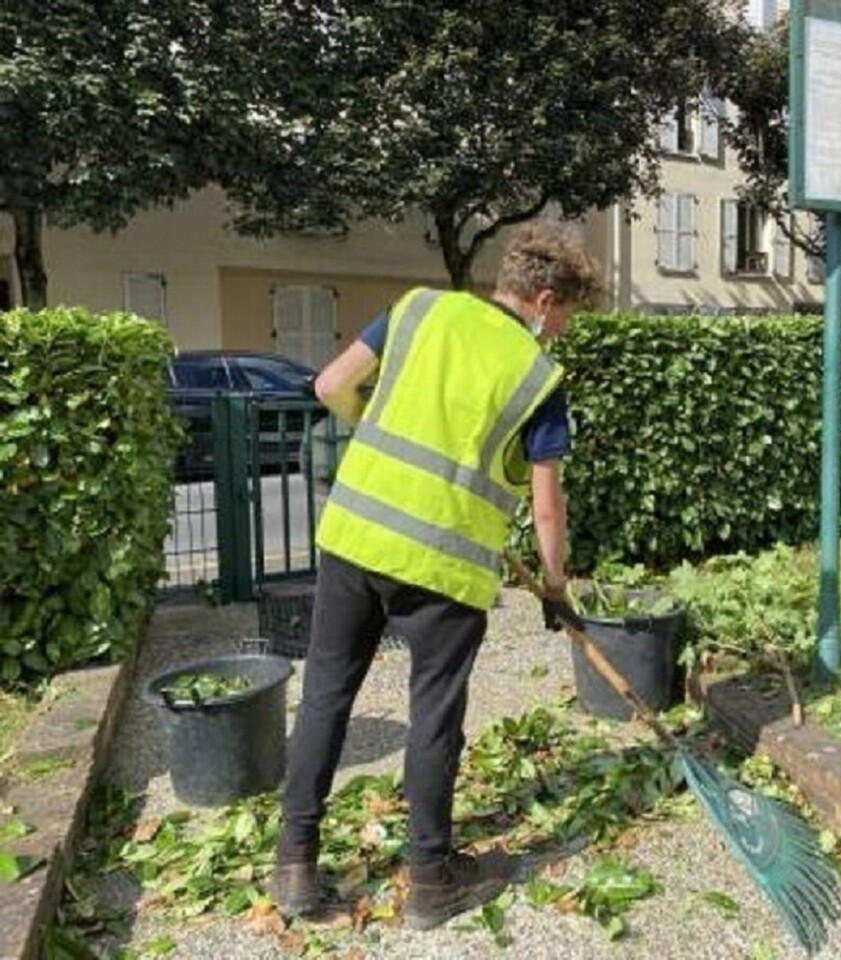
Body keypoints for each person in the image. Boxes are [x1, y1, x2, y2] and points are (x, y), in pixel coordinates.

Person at [272, 223, 599, 929]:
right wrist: (553, 585)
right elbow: (547, 509)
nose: (563, 332)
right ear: (543, 300)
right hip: (441, 570)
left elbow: (330, 385)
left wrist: (379, 432)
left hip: (355, 537)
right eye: (566, 317)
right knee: (435, 715)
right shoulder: (537, 377)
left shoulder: (419, 309)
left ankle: (295, 863)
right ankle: (429, 880)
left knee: (326, 692)